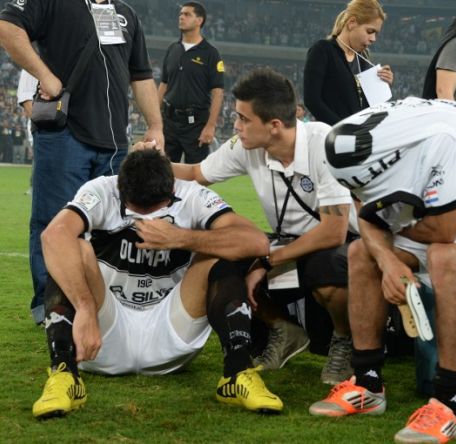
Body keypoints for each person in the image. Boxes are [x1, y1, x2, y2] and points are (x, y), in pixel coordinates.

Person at [309, 97, 456, 443]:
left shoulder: (438, 141)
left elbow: (445, 232)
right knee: (363, 252)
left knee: (444, 258)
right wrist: (388, 259)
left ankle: (450, 405)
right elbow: (366, 213)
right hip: (454, 206)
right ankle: (368, 384)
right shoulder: (350, 141)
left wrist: (386, 237)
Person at [33, 149, 283, 419]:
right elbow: (53, 236)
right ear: (119, 185)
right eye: (134, 210)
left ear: (173, 189)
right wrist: (84, 308)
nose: (145, 219)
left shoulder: (193, 195)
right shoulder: (101, 190)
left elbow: (257, 242)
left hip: (172, 331)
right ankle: (63, 373)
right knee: (73, 249)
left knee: (217, 253)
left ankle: (237, 372)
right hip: (100, 337)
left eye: (155, 210)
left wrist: (182, 238)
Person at [173, 68, 356, 385]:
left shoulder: (323, 144)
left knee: (327, 269)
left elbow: (333, 232)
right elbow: (194, 174)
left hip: (335, 242)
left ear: (273, 126)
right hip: (288, 242)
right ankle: (282, 329)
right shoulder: (245, 147)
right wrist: (152, 162)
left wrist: (267, 261)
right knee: (224, 256)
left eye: (244, 119)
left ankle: (345, 340)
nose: (236, 125)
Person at [0, 0, 164, 325]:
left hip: (116, 141)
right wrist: (45, 76)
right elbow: (7, 26)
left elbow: (141, 75)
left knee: (114, 227)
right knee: (53, 222)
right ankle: (53, 309)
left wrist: (156, 125)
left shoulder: (126, 13)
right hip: (65, 134)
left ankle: (106, 304)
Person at [303, 0, 393, 125]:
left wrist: (383, 85)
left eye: (376, 34)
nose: (373, 39)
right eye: (370, 31)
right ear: (352, 23)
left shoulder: (363, 58)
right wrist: (342, 128)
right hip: (331, 137)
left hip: (358, 138)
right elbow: (312, 100)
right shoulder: (322, 50)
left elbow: (370, 107)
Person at [158, 1, 225, 164]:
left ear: (199, 20)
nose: (181, 17)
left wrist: (210, 126)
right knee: (162, 173)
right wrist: (154, 121)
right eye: (180, 14)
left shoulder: (211, 53)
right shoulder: (172, 49)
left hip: (196, 125)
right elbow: (163, 85)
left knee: (195, 177)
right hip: (169, 122)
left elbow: (218, 93)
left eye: (187, 14)